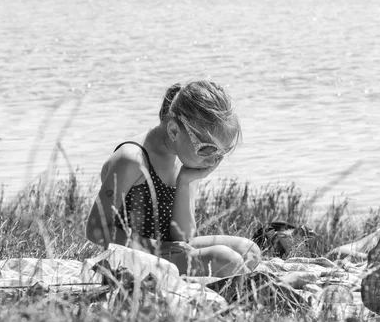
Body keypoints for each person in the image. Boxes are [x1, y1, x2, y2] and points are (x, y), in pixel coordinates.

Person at [86, 80, 261, 277]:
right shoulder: (132, 159)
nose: (214, 160)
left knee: (249, 251)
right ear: (174, 131)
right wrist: (156, 247)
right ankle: (258, 290)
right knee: (225, 259)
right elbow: (95, 229)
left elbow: (183, 236)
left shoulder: (182, 157)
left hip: (169, 249)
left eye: (223, 151)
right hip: (129, 258)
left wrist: (186, 181)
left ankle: (249, 285)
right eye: (208, 149)